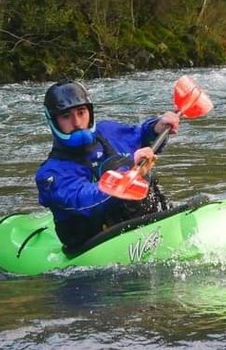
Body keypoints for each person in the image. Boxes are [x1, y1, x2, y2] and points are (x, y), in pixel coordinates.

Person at [35, 80, 179, 253]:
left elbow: (139, 135)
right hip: (92, 245)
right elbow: (86, 200)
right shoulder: (50, 174)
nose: (77, 122)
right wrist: (128, 169)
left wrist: (156, 127)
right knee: (115, 165)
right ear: (54, 121)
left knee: (133, 173)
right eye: (66, 116)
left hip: (137, 225)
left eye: (81, 112)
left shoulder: (108, 132)